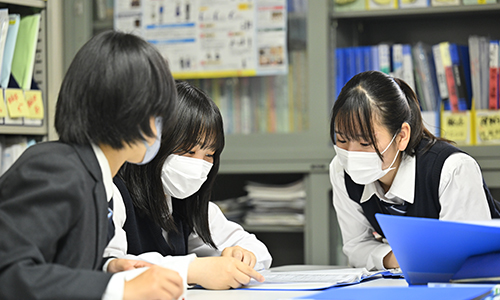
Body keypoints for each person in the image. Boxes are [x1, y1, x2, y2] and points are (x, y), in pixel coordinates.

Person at [0, 30, 184, 300]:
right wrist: (119, 288)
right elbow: (8, 274)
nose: (159, 128)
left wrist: (108, 268)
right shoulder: (56, 170)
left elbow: (58, 262)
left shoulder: (96, 176)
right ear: (127, 110)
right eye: (157, 114)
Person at [104, 80, 270, 291]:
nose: (198, 164)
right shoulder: (114, 193)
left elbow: (256, 248)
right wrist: (192, 270)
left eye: (209, 154)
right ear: (155, 141)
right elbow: (108, 266)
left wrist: (243, 256)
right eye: (188, 151)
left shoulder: (185, 203)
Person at [329, 70, 500, 271]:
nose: (351, 153)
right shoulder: (342, 171)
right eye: (341, 139)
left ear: (401, 136)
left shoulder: (452, 170)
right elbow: (356, 246)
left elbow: (467, 258)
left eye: (365, 142)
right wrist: (394, 259)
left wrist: (409, 258)